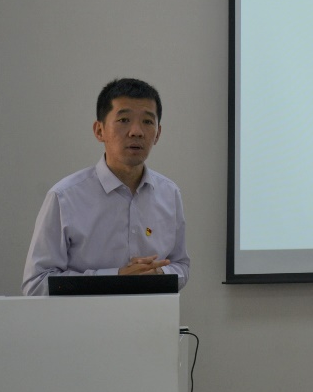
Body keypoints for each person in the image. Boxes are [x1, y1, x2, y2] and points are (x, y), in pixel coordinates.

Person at [22, 78, 189, 296]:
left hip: (152, 317)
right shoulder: (64, 197)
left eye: (148, 121)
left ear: (157, 134)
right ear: (99, 130)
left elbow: (181, 265)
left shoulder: (169, 193)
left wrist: (159, 274)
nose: (136, 131)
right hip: (86, 318)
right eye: (124, 120)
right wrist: (116, 278)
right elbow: (36, 283)